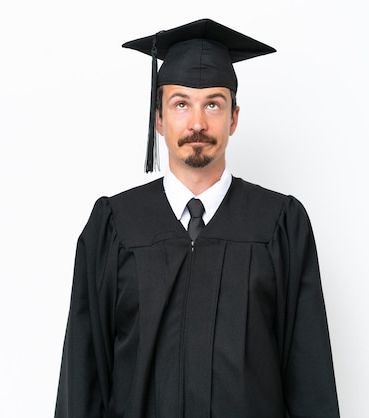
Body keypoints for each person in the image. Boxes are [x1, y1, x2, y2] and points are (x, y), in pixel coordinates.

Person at [54, 18, 340, 418]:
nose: (197, 123)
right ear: (159, 120)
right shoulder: (114, 225)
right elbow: (82, 379)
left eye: (213, 104)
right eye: (181, 104)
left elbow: (311, 384)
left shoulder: (280, 224)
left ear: (234, 118)